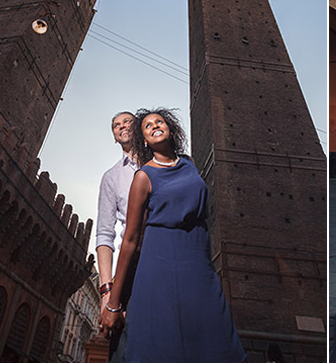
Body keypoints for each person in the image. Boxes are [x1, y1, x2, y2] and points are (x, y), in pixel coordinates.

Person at [100, 108, 245, 362]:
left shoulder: (188, 163)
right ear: (142, 138)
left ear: (171, 128)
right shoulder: (140, 176)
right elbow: (126, 238)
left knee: (215, 340)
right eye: (148, 125)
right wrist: (111, 298)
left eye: (160, 122)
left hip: (198, 265)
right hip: (154, 265)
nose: (155, 125)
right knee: (156, 344)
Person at [95, 111, 140, 362]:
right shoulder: (111, 177)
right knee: (124, 348)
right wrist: (106, 291)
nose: (121, 127)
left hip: (166, 258)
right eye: (116, 125)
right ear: (114, 136)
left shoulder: (162, 163)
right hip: (131, 265)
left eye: (127, 122)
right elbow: (104, 233)